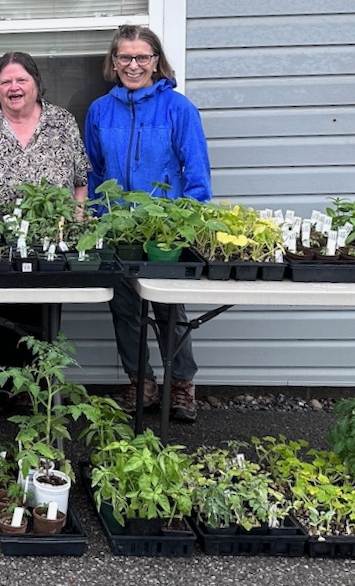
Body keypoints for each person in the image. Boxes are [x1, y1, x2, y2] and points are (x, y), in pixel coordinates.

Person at [0, 52, 89, 414]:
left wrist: (77, 224)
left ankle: (41, 384)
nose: (14, 87)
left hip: (50, 241)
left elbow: (79, 183)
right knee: (6, 317)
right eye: (6, 81)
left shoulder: (62, 122)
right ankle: (10, 385)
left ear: (36, 84)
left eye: (21, 80)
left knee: (44, 314)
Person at [84, 24, 211, 423]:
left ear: (156, 61)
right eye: (125, 57)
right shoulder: (100, 110)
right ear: (114, 62)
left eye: (142, 57)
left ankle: (181, 385)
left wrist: (186, 219)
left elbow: (197, 173)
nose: (134, 65)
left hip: (163, 229)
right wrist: (96, 215)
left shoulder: (178, 108)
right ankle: (141, 381)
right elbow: (92, 171)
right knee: (124, 309)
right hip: (117, 228)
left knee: (169, 311)